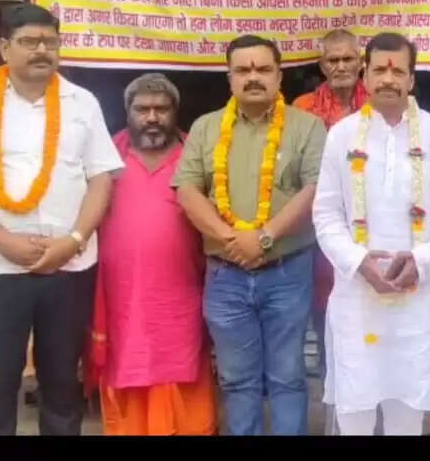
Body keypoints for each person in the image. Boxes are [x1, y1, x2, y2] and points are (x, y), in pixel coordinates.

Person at [0, 3, 123, 435]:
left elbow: (100, 179)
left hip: (68, 267)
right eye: (29, 41)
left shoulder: (83, 102)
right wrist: (0, 239)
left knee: (63, 386)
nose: (41, 50)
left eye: (50, 41)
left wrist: (74, 239)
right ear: (3, 48)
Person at [173, 34, 326, 436]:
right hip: (226, 276)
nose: (253, 77)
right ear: (229, 78)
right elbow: (187, 190)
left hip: (287, 271)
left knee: (288, 375)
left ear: (279, 76)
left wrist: (265, 237)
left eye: (263, 69)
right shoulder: (206, 128)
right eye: (243, 70)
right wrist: (230, 239)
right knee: (237, 379)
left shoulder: (307, 127)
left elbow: (314, 189)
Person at [312, 32, 430, 436]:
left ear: (412, 79)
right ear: (365, 75)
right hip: (357, 298)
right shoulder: (341, 136)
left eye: (398, 71)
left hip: (418, 300)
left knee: (407, 415)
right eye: (379, 69)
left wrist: (421, 262)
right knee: (355, 413)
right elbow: (325, 215)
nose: (388, 79)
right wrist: (359, 262)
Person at [85, 73, 217, 436]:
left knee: (185, 372)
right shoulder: (105, 157)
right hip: (121, 298)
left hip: (183, 294)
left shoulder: (197, 155)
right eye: (142, 109)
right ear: (127, 112)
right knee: (128, 369)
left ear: (176, 112)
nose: (153, 117)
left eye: (162, 108)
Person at [292, 29, 368, 382]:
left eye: (347, 59)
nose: (340, 66)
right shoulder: (302, 108)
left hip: (372, 223)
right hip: (317, 226)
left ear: (360, 62)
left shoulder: (379, 101)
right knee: (326, 307)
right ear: (322, 66)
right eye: (332, 60)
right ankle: (333, 385)